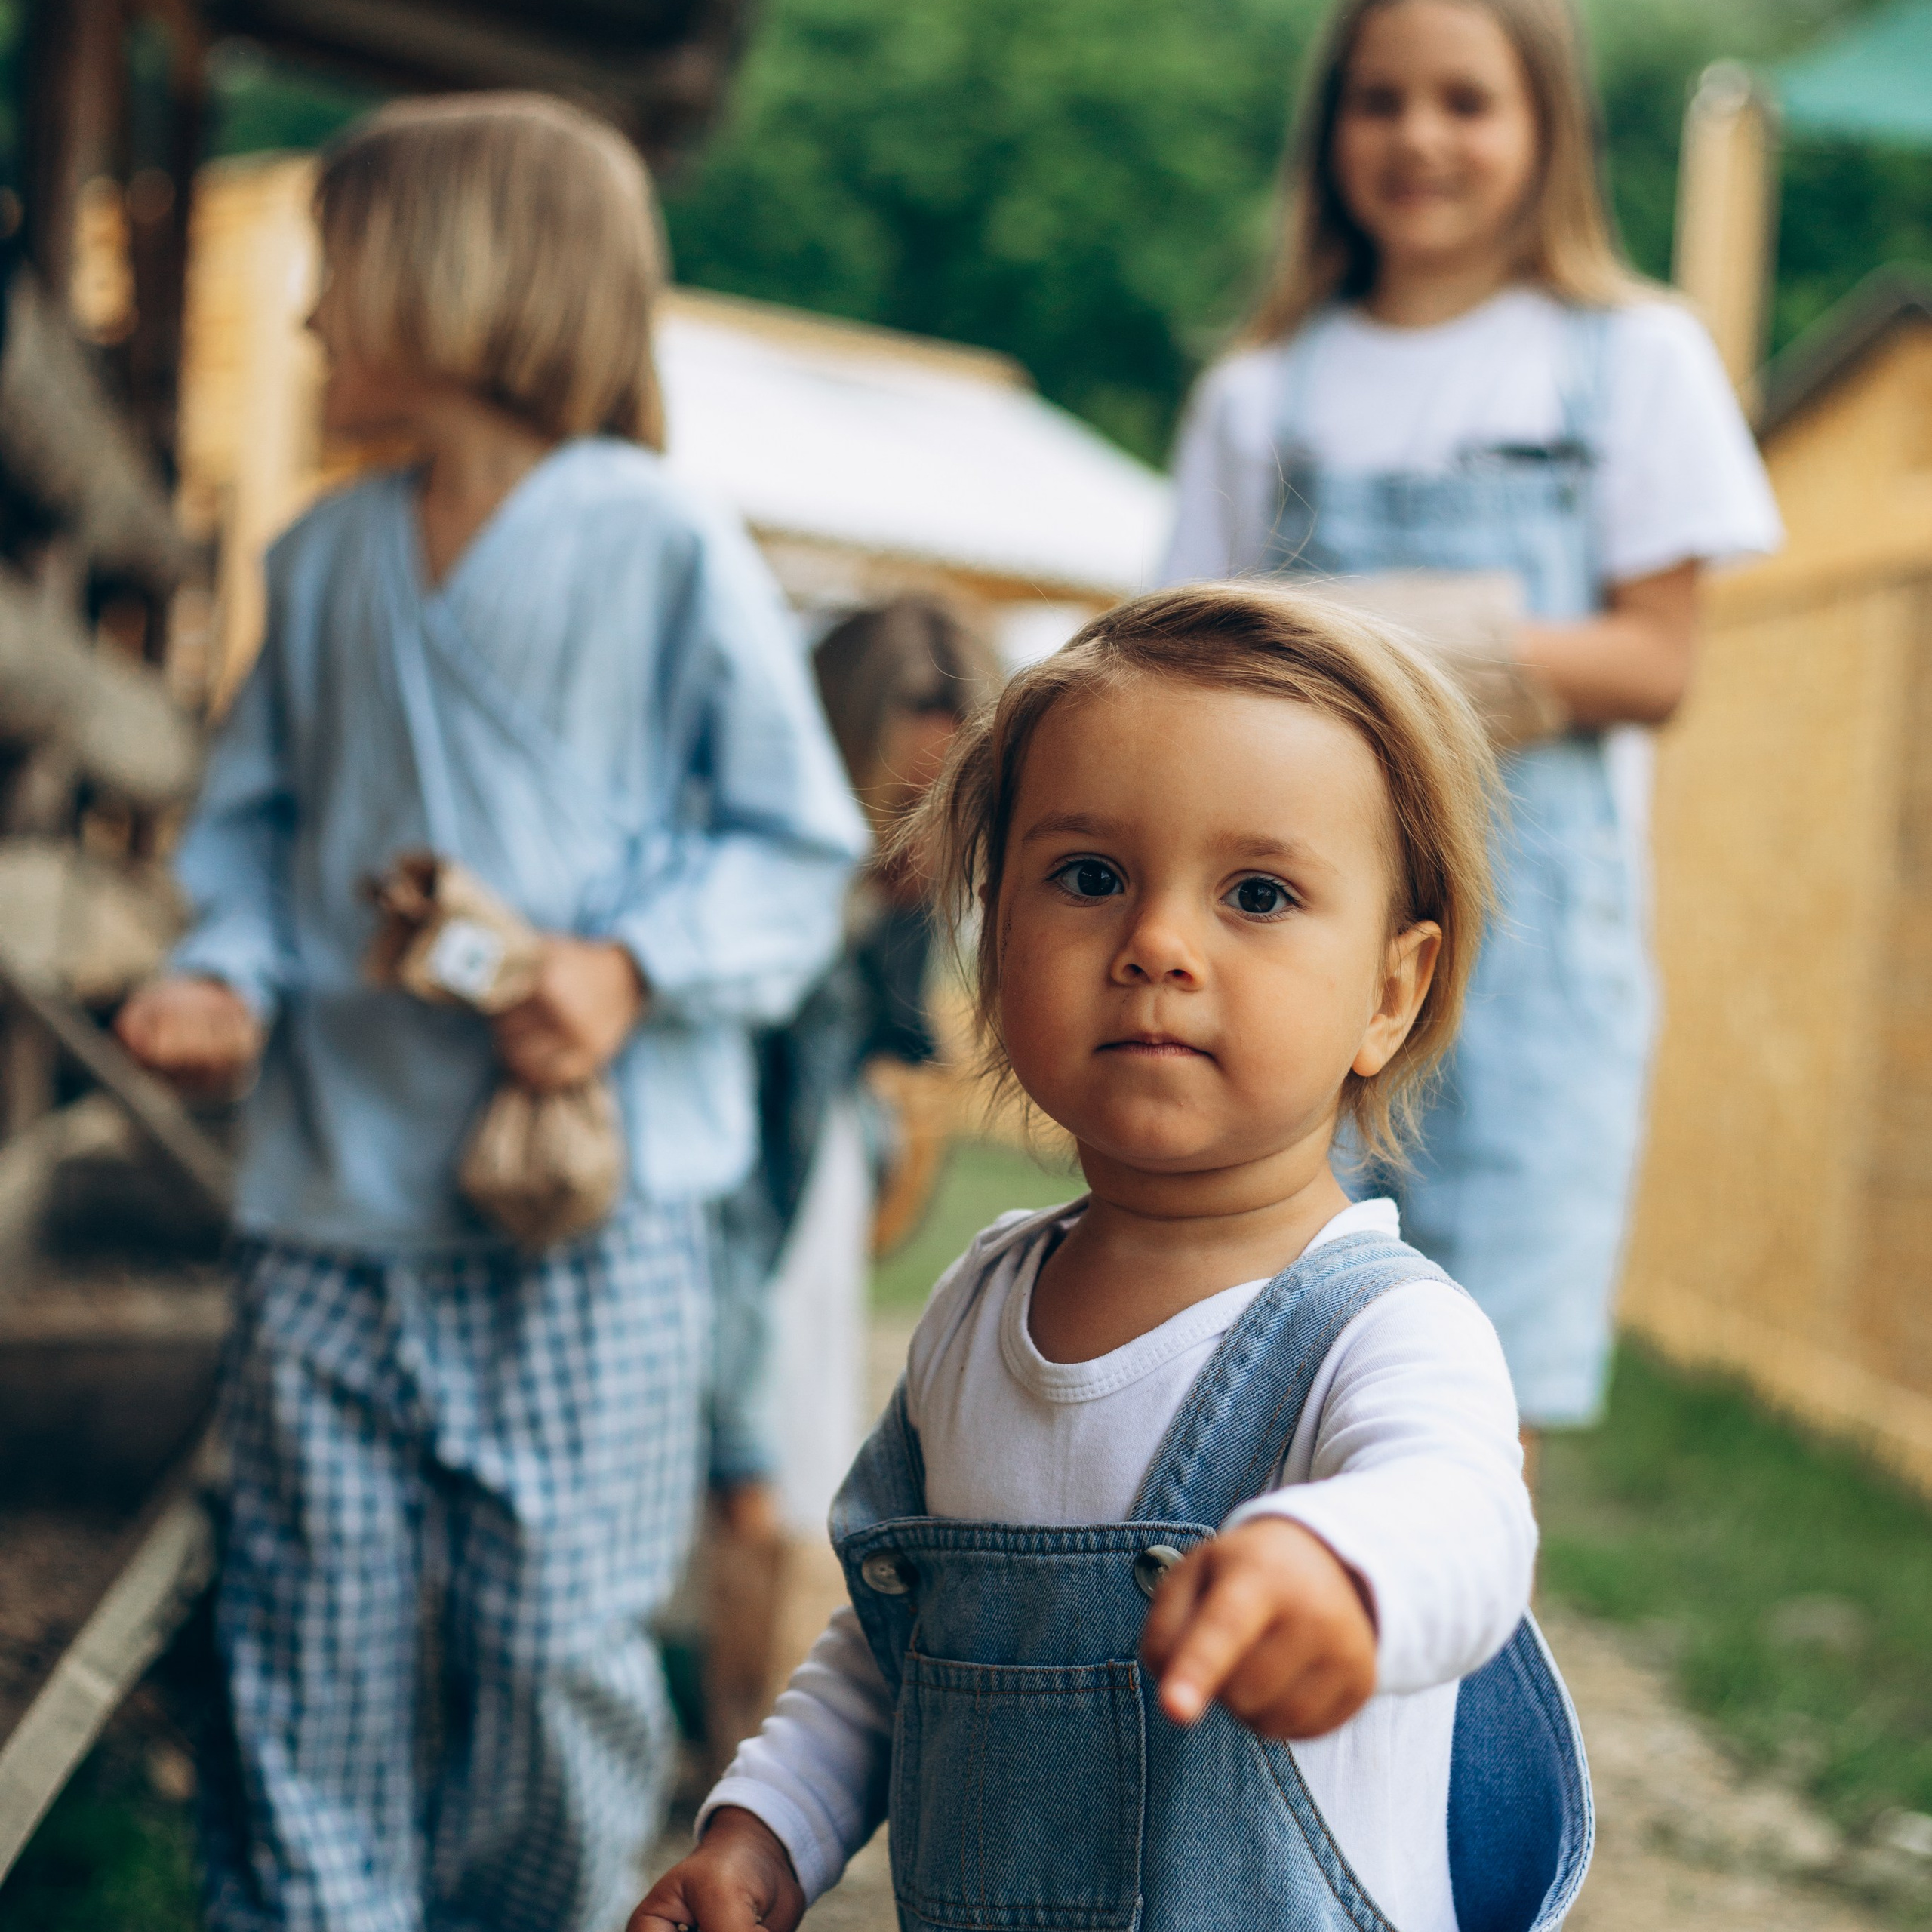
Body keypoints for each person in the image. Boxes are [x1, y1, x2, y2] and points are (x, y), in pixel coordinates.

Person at [113, 95, 866, 1932]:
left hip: (582, 1221)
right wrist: (222, 965)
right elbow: (256, 830)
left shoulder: (666, 543)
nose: (311, 319)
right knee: (309, 1639)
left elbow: (794, 843)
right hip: (328, 1204)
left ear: (465, 283)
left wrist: (625, 966)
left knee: (550, 1654)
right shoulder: (320, 561)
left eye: (339, 275)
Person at [633, 583, 1591, 1932]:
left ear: (1391, 991)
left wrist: (1342, 1572)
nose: (1156, 945)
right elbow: (890, 1644)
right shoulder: (976, 1311)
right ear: (991, 932)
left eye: (1258, 894)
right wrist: (765, 1832)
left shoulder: (1384, 1329)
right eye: (1090, 878)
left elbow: (1467, 1524)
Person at [1162, 0, 1782, 1454]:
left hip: (1534, 972)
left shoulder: (1630, 358)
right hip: (1283, 946)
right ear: (1330, 129)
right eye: (1379, 101)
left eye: (1466, 101)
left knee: (1476, 1425)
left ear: (1546, 126)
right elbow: (1185, 666)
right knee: (1251, 1381)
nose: (1419, 137)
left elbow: (1658, 661)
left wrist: (1380, 644)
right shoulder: (1260, 391)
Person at [700, 598, 999, 1764]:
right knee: (755, 1467)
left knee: (795, 1456)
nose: (918, 845)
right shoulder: (778, 924)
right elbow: (735, 1198)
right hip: (740, 1218)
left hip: (807, 1197)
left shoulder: (891, 910)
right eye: (897, 806)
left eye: (945, 810)